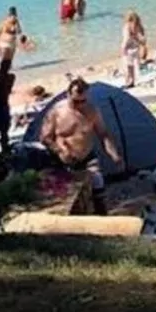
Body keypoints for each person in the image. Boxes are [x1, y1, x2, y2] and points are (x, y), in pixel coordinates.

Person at [39, 77, 123, 215]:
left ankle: (102, 218)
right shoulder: (57, 111)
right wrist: (59, 150)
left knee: (98, 185)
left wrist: (114, 155)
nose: (79, 105)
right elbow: (45, 137)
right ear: (68, 95)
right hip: (63, 159)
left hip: (87, 156)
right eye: (75, 101)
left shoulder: (92, 111)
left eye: (83, 101)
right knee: (69, 197)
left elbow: (103, 134)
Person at [120, 10, 148, 87]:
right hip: (136, 48)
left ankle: (128, 81)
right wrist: (143, 47)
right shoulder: (139, 26)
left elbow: (127, 38)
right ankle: (133, 81)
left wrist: (123, 47)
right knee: (134, 65)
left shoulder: (127, 26)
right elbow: (143, 39)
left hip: (128, 48)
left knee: (127, 66)